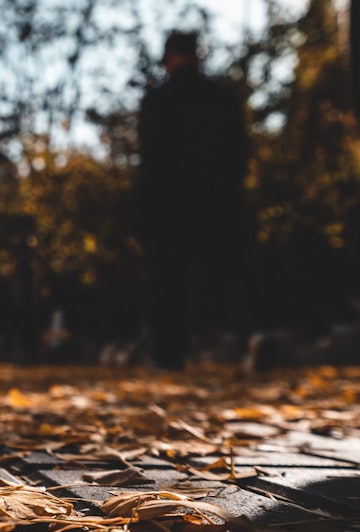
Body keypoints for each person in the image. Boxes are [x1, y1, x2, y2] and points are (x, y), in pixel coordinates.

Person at [136, 31, 250, 370]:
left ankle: (171, 353)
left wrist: (143, 210)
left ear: (169, 58)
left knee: (169, 280)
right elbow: (240, 153)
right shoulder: (223, 99)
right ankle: (226, 344)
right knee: (217, 274)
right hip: (217, 204)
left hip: (168, 208)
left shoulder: (158, 101)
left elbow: (150, 160)